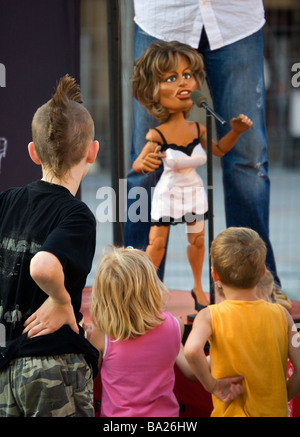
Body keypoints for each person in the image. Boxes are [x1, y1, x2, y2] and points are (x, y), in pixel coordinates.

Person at [123, 0, 282, 294]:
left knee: (249, 162)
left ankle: (255, 286)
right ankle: (133, 291)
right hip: (163, 15)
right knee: (145, 163)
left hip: (235, 17)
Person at [0, 75, 100, 417]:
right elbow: (43, 265)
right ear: (92, 151)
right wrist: (60, 300)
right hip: (52, 366)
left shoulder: (6, 201)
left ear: (32, 152)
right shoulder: (78, 215)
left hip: (5, 361)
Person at [131, 40, 252, 308]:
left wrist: (235, 131)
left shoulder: (198, 128)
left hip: (194, 192)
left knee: (198, 240)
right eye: (171, 78)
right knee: (157, 243)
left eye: (187, 75)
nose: (183, 83)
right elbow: (138, 165)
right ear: (153, 90)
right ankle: (146, 289)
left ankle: (198, 287)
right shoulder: (157, 134)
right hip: (169, 193)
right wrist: (146, 162)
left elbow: (219, 149)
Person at [184, 227, 300, 417]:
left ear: (214, 275)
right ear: (263, 271)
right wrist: (282, 396)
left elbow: (191, 350)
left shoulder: (210, 315)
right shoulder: (282, 315)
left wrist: (212, 385)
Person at [89, 246, 198, 417]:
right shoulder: (174, 326)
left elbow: (87, 378)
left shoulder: (102, 334)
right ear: (152, 287)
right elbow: (192, 372)